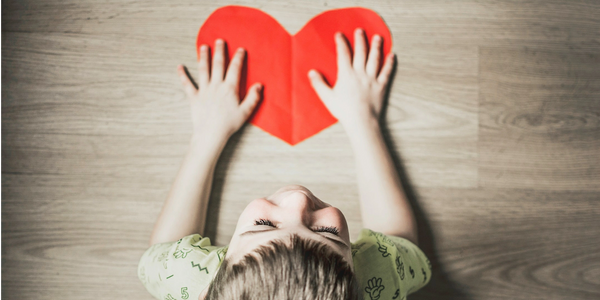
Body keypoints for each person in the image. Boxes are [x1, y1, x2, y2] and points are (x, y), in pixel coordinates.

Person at [138, 28, 431, 300]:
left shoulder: (185, 274)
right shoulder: (374, 279)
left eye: (264, 225)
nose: (298, 200)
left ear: (204, 293)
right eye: (327, 233)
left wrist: (207, 135)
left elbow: (162, 251)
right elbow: (400, 241)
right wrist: (362, 120)